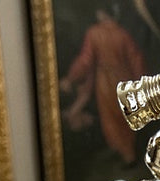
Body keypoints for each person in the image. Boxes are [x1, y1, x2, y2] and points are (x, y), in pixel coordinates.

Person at [60, 8, 146, 165]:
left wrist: (71, 78)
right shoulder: (123, 33)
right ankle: (125, 152)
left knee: (111, 118)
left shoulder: (94, 33)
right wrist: (140, 82)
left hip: (105, 81)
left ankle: (127, 155)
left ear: (101, 13)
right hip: (125, 80)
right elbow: (136, 58)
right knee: (124, 116)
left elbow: (85, 61)